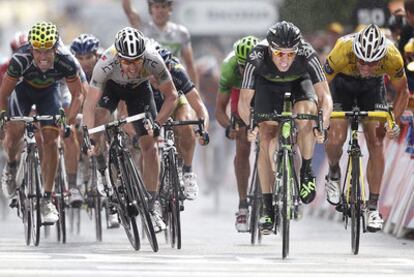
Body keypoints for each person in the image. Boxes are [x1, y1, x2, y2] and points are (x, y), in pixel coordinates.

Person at [238, 21, 332, 234]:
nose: (285, 59)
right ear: (270, 48)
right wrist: (249, 124)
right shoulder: (257, 57)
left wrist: (322, 123)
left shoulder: (307, 53)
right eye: (280, 54)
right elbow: (244, 102)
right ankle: (267, 206)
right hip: (267, 87)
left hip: (299, 84)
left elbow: (325, 96)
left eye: (290, 54)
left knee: (307, 115)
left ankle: (306, 172)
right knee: (265, 135)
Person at [82, 27, 178, 232]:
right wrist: (90, 136)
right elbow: (89, 105)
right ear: (118, 58)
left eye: (137, 60)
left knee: (150, 146)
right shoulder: (105, 63)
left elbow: (172, 96)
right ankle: (102, 168)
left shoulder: (153, 60)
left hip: (140, 91)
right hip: (111, 88)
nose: (132, 66)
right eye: (126, 61)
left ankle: (152, 208)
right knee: (100, 118)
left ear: (144, 56)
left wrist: (158, 123)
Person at [323, 24, 409, 232]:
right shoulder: (342, 48)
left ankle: (372, 207)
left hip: (372, 88)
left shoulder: (392, 56)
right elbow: (321, 85)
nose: (367, 67)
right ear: (356, 54)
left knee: (376, 140)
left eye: (373, 63)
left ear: (382, 57)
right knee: (336, 137)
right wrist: (323, 115)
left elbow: (403, 92)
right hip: (341, 85)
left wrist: (392, 122)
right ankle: (334, 172)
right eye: (362, 61)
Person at [0, 22, 84, 223]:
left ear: (56, 48)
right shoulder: (20, 59)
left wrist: (68, 119)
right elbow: (4, 93)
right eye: (38, 51)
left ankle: (47, 199)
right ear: (31, 49)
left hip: (49, 93)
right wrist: (3, 114)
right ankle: (11, 166)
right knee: (14, 134)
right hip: (23, 93)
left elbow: (78, 95)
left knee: (51, 140)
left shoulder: (66, 60)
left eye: (48, 51)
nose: (43, 57)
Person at [149, 42, 209, 200]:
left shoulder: (177, 71)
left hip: (176, 101)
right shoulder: (140, 74)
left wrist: (203, 130)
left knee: (187, 122)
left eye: (163, 71)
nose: (158, 77)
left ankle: (187, 171)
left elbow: (199, 106)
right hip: (151, 104)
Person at [215, 35, 259, 232]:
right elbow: (219, 109)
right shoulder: (229, 69)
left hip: (262, 90)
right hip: (239, 94)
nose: (245, 71)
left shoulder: (268, 62)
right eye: (243, 68)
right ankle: (243, 206)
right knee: (242, 144)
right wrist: (229, 127)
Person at [122, 0, 198, 87]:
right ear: (151, 9)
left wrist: (196, 90)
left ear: (170, 9)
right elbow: (128, 10)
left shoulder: (181, 32)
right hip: (150, 84)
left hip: (174, 83)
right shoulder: (142, 28)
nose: (160, 11)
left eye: (164, 7)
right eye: (156, 7)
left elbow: (190, 65)